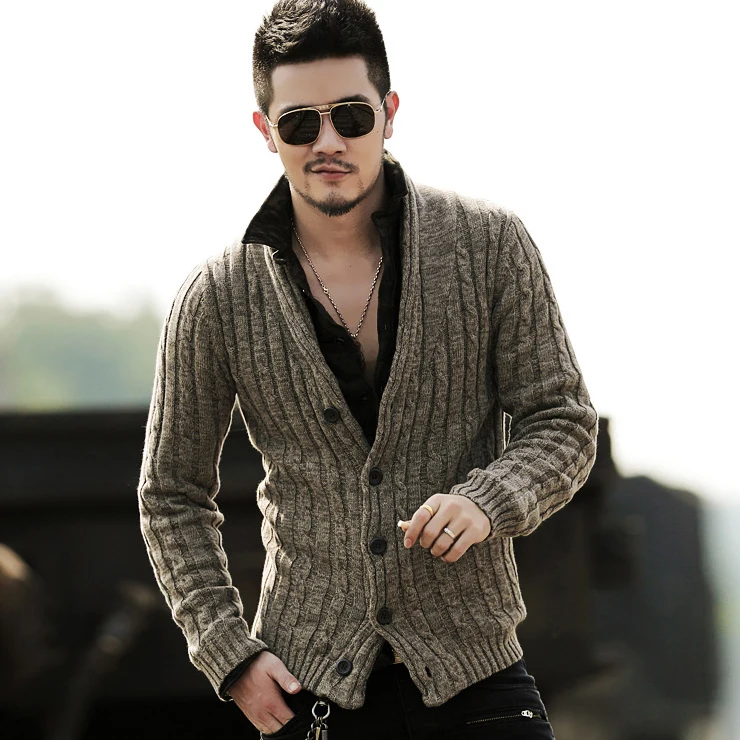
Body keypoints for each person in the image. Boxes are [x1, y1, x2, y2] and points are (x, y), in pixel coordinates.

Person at [137, 1, 598, 737]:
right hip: (308, 691)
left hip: (477, 678)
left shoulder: (489, 245)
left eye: (351, 116)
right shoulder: (217, 297)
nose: (328, 142)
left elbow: (563, 422)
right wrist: (228, 654)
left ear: (389, 113)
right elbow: (170, 494)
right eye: (299, 123)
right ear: (265, 131)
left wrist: (489, 500)